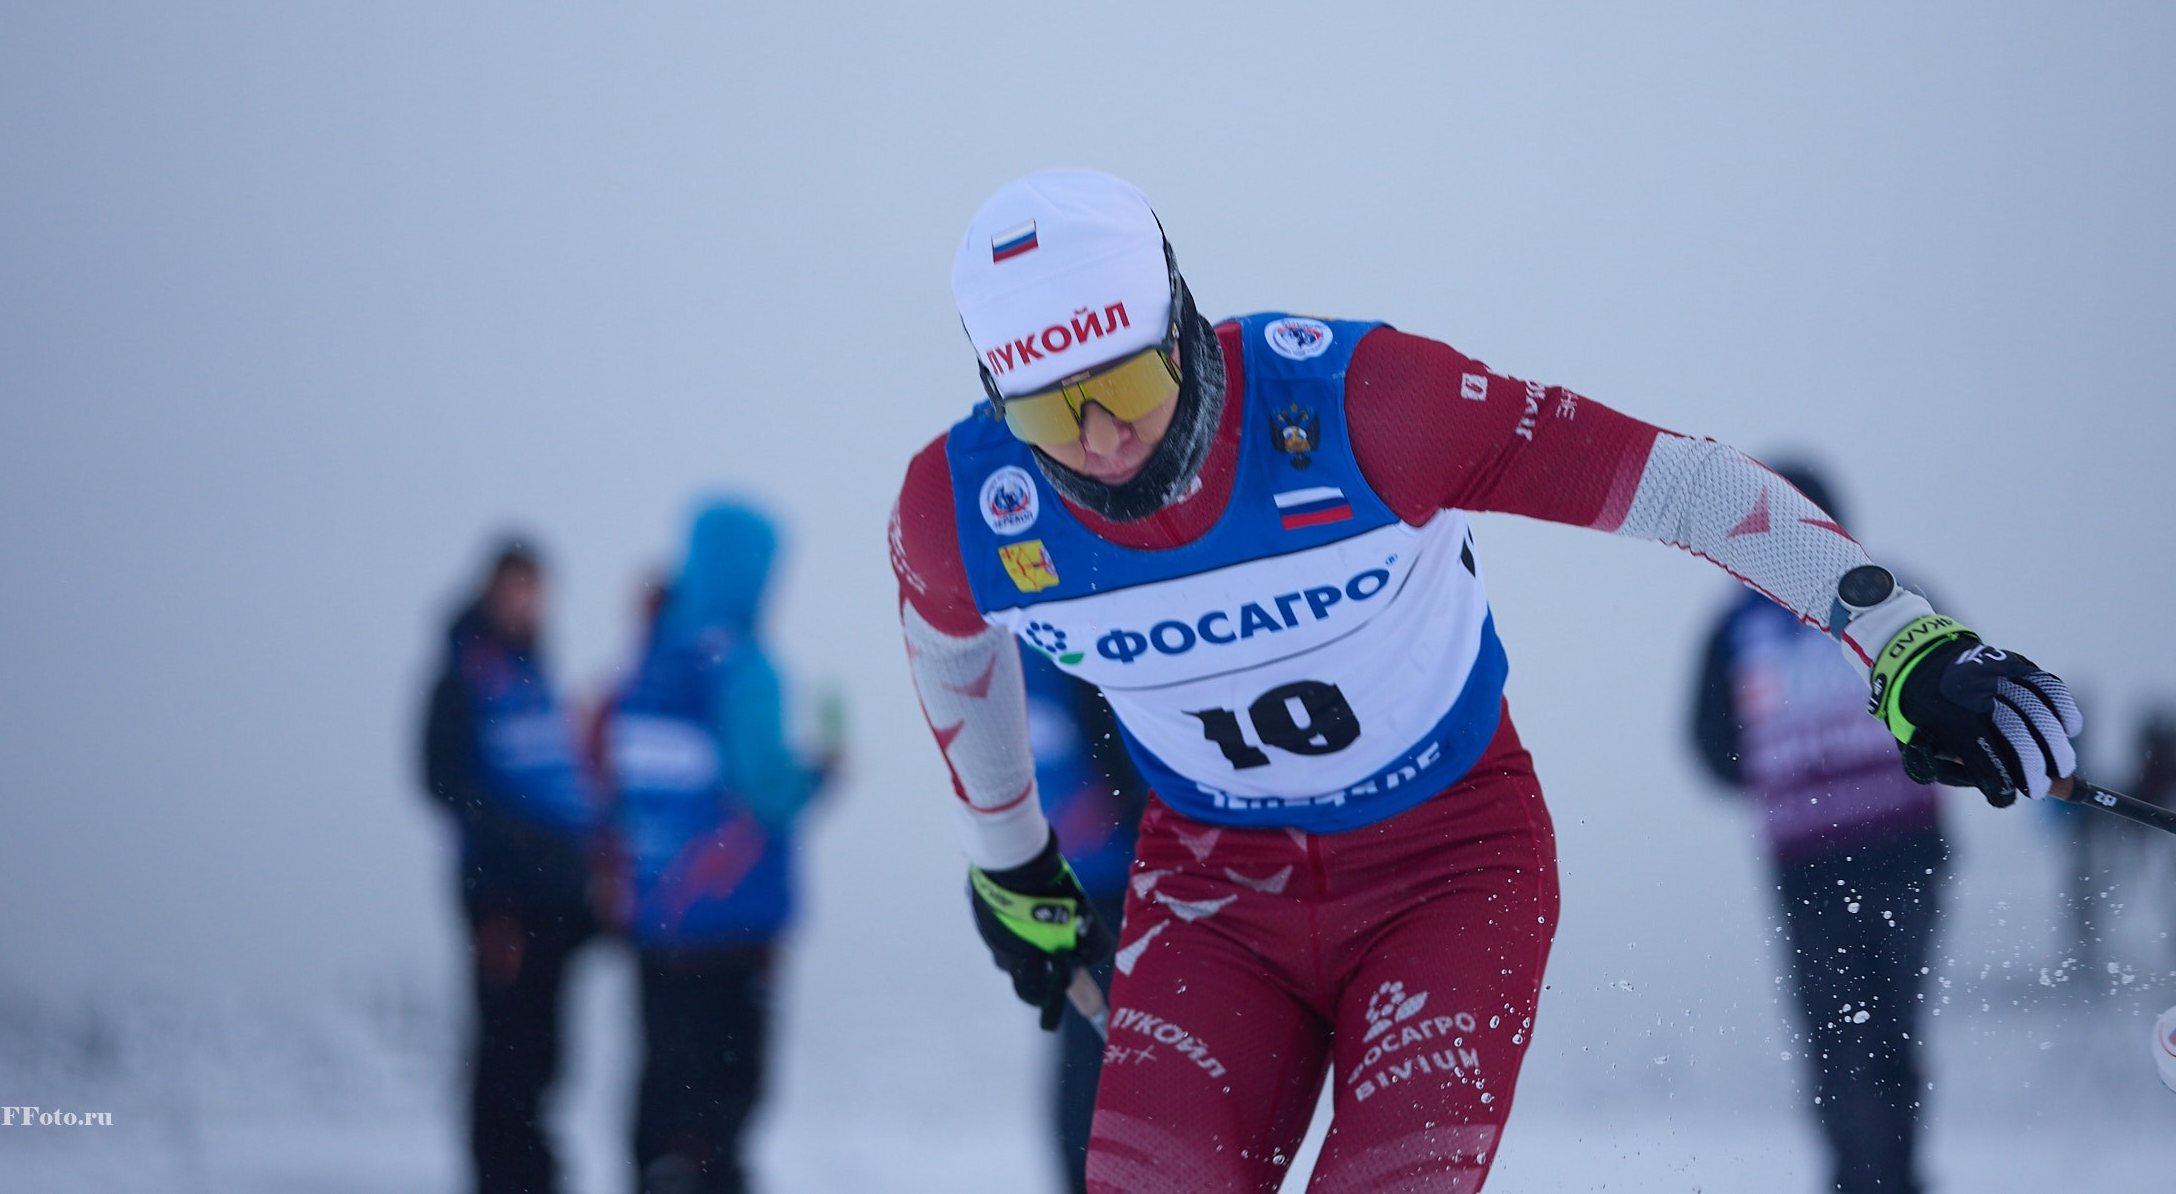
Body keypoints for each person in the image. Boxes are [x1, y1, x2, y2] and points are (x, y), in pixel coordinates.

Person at [885, 169, 2087, 1194]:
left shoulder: (1362, 405)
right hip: (1213, 887)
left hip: (1446, 864)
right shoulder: (963, 507)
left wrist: (1903, 640)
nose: (1103, 440)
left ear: (1183, 324)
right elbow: (945, 647)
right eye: (1050, 412)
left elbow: (1679, 485)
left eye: (1131, 387)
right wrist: (1011, 865)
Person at [1688, 461, 1945, 1194]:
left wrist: (1793, 773)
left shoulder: (1740, 627)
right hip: (1870, 861)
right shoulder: (1893, 600)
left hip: (1840, 863)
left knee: (1853, 1038)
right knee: (1874, 1034)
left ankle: (1874, 1178)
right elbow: (1709, 742)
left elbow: (1713, 747)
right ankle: (1879, 1178)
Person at [597, 500, 836, 1194]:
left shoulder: (648, 663)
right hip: (733, 921)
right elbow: (767, 790)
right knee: (727, 1097)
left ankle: (661, 1172)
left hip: (658, 915)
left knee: (664, 1084)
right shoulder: (745, 667)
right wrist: (821, 770)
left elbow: (613, 783)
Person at [421, 536, 599, 1194]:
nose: (525, 602)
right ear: (490, 590)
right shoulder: (463, 675)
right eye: (514, 587)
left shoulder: (535, 674)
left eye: (534, 589)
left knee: (544, 1046)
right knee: (506, 1045)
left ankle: (533, 1170)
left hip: (557, 894)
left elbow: (560, 774)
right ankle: (503, 1175)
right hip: (502, 893)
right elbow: (441, 779)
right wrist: (518, 846)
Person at [1021, 647, 1146, 1193]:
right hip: (1106, 878)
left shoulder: (1015, 631)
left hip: (1079, 876)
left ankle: (1089, 1179)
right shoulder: (1052, 635)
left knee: (1095, 1047)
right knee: (1106, 1051)